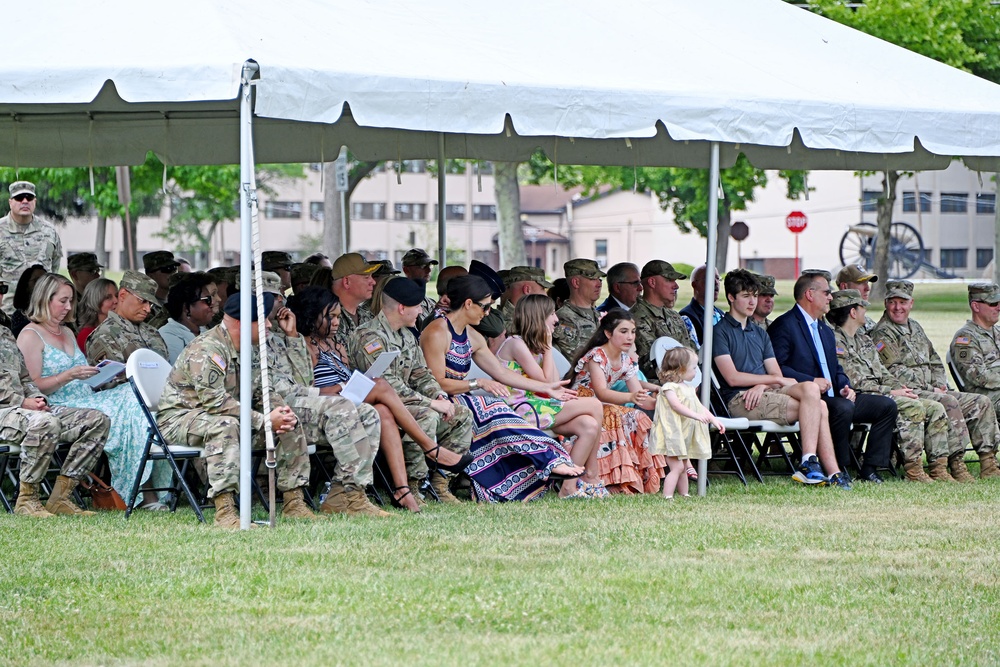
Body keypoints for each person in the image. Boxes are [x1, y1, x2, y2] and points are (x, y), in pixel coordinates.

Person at [287, 286, 473, 513]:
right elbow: (306, 391)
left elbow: (421, 373)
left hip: (350, 399)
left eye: (337, 316)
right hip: (329, 404)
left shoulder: (335, 345)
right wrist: (344, 385)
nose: (337, 322)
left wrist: (437, 395)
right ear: (312, 315)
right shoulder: (303, 345)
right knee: (381, 384)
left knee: (384, 411)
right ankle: (430, 448)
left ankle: (403, 491)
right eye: (330, 317)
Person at [157, 293, 320, 528]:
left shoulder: (249, 348)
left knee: (287, 419)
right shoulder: (207, 349)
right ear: (243, 323)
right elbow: (214, 403)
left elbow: (259, 392)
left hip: (225, 415)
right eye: (262, 320)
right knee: (226, 425)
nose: (268, 325)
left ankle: (294, 502)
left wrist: (278, 412)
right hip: (181, 418)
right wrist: (264, 421)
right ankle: (225, 512)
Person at [421, 276, 587, 501]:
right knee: (494, 410)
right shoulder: (437, 331)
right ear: (468, 304)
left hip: (460, 399)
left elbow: (502, 374)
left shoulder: (472, 334)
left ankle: (549, 461)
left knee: (496, 408)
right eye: (485, 306)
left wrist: (546, 388)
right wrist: (477, 383)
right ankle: (549, 460)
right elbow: (437, 382)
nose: (488, 312)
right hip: (436, 399)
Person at [17, 273, 172, 506]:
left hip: (87, 395)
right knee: (132, 404)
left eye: (71, 301)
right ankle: (137, 487)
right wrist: (68, 375)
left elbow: (82, 378)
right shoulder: (31, 335)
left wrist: (102, 375)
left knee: (136, 394)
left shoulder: (67, 332)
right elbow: (32, 386)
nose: (68, 307)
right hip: (59, 404)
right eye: (63, 301)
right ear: (44, 300)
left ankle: (142, 483)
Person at [264, 287, 396, 517]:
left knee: (367, 413)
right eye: (275, 300)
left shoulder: (282, 340)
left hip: (301, 403)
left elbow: (304, 379)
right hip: (274, 409)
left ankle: (345, 494)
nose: (269, 323)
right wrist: (325, 395)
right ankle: (298, 502)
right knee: (342, 406)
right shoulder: (247, 344)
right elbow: (279, 392)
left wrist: (293, 336)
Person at [712, 268, 849, 488]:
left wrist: (763, 384)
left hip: (765, 391)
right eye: (746, 296)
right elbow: (733, 378)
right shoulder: (720, 331)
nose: (752, 302)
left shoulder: (760, 332)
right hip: (740, 398)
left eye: (754, 296)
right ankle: (823, 468)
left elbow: (776, 374)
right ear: (731, 297)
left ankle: (820, 466)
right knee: (819, 408)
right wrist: (763, 384)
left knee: (812, 392)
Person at [349, 277, 475, 504]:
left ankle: (440, 484)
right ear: (402, 307)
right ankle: (412, 485)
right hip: (379, 409)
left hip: (409, 403)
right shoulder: (369, 336)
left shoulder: (407, 335)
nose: (420, 311)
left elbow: (421, 374)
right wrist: (431, 404)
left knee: (462, 414)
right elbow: (386, 384)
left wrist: (438, 394)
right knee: (426, 416)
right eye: (417, 306)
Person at [769, 270, 897, 483]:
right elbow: (778, 369)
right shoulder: (785, 325)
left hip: (834, 394)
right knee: (842, 408)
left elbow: (835, 368)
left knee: (886, 406)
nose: (831, 297)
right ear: (810, 294)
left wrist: (846, 386)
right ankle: (840, 467)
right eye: (826, 293)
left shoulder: (824, 329)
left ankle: (870, 468)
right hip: (808, 397)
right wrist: (810, 381)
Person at [872, 280, 1000, 479]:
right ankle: (952, 465)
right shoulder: (883, 333)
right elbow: (894, 371)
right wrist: (931, 387)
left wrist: (940, 382)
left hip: (934, 389)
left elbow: (935, 360)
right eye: (893, 302)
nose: (898, 307)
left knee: (980, 402)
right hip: (910, 391)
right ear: (885, 303)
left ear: (911, 303)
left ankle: (988, 463)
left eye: (903, 302)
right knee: (948, 402)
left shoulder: (915, 326)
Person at [829, 289, 959, 483]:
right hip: (859, 396)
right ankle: (913, 470)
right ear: (853, 313)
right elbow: (854, 382)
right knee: (913, 407)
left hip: (882, 392)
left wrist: (901, 388)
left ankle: (938, 468)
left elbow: (883, 372)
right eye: (862, 307)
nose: (866, 311)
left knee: (934, 406)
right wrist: (892, 391)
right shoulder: (834, 341)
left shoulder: (863, 339)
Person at [496, 293, 608, 496]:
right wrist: (548, 346)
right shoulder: (515, 343)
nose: (556, 319)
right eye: (552, 313)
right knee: (594, 405)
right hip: (519, 411)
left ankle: (568, 487)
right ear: (539, 316)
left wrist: (546, 348)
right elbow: (545, 383)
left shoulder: (534, 347)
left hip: (539, 406)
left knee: (589, 425)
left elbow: (554, 383)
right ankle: (592, 474)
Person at [0, 320, 109, 517]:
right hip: (5, 410)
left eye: (2, 289)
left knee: (96, 420)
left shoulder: (4, 333)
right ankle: (26, 500)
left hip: (25, 409)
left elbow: (25, 378)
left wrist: (36, 398)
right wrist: (22, 401)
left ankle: (61, 498)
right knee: (45, 422)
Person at [568, 308, 665, 494]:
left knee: (637, 416)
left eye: (633, 332)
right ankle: (601, 479)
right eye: (624, 331)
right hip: (579, 404)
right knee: (613, 414)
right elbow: (602, 392)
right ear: (608, 333)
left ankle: (627, 480)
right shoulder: (597, 355)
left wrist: (664, 401)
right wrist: (630, 397)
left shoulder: (625, 359)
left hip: (599, 406)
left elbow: (640, 398)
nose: (630, 337)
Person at [650, 347, 720, 499]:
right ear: (681, 369)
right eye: (693, 368)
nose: (696, 372)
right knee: (676, 467)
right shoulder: (669, 388)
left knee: (682, 467)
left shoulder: (688, 388)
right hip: (672, 433)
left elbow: (699, 406)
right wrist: (695, 416)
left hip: (684, 433)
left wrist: (713, 419)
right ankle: (667, 495)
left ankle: (684, 494)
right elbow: (676, 406)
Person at [85, 271, 169, 388]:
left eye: (150, 304)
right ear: (123, 295)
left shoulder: (152, 332)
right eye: (143, 301)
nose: (147, 309)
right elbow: (112, 386)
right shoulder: (105, 335)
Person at [0, 182, 62, 316]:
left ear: (35, 201)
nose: (24, 201)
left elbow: (54, 268)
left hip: (43, 311)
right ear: (10, 202)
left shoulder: (49, 231)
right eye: (19, 198)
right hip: (7, 312)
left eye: (29, 198)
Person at [632, 259, 695, 380]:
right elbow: (654, 364)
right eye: (669, 280)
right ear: (652, 282)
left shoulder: (674, 316)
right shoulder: (636, 318)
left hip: (686, 382)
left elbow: (690, 352)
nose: (676, 286)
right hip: (658, 388)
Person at [951, 283, 1000, 424]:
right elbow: (979, 376)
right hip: (985, 398)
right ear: (976, 306)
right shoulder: (965, 339)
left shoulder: (997, 332)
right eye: (993, 304)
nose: (999, 307)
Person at [159, 272, 220, 364]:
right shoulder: (168, 337)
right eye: (207, 300)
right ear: (186, 308)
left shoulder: (205, 332)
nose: (212, 303)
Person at [552, 259, 605, 361]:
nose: (599, 284)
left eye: (600, 279)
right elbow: (575, 358)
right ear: (576, 283)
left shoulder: (598, 316)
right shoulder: (562, 318)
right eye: (593, 279)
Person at [330, 253, 379, 348]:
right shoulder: (325, 318)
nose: (373, 282)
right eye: (366, 277)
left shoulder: (368, 316)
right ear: (347, 282)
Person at [680, 264, 724, 347]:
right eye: (709, 278)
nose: (716, 282)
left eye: (718, 278)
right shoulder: (687, 316)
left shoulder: (721, 314)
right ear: (694, 285)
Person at [498, 266, 551, 331]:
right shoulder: (499, 322)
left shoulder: (529, 316)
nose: (545, 294)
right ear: (527, 289)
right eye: (542, 289)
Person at [75, 278, 118, 352]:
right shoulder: (86, 335)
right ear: (94, 301)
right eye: (108, 297)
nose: (116, 301)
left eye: (117, 296)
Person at [142, 250, 180, 330]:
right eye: (167, 269)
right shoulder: (143, 304)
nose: (172, 272)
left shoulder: (178, 300)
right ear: (151, 276)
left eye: (174, 268)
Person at [835, 264, 879, 335]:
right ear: (844, 287)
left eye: (867, 283)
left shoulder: (866, 321)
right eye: (861, 283)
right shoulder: (836, 323)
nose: (867, 288)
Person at [401, 248, 439, 321]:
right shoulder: (403, 303)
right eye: (423, 266)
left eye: (429, 265)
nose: (429, 270)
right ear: (406, 270)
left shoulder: (431, 302)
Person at [10, 264, 48, 338]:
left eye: (45, 281)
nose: (41, 284)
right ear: (26, 286)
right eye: (36, 280)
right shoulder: (20, 315)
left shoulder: (58, 309)